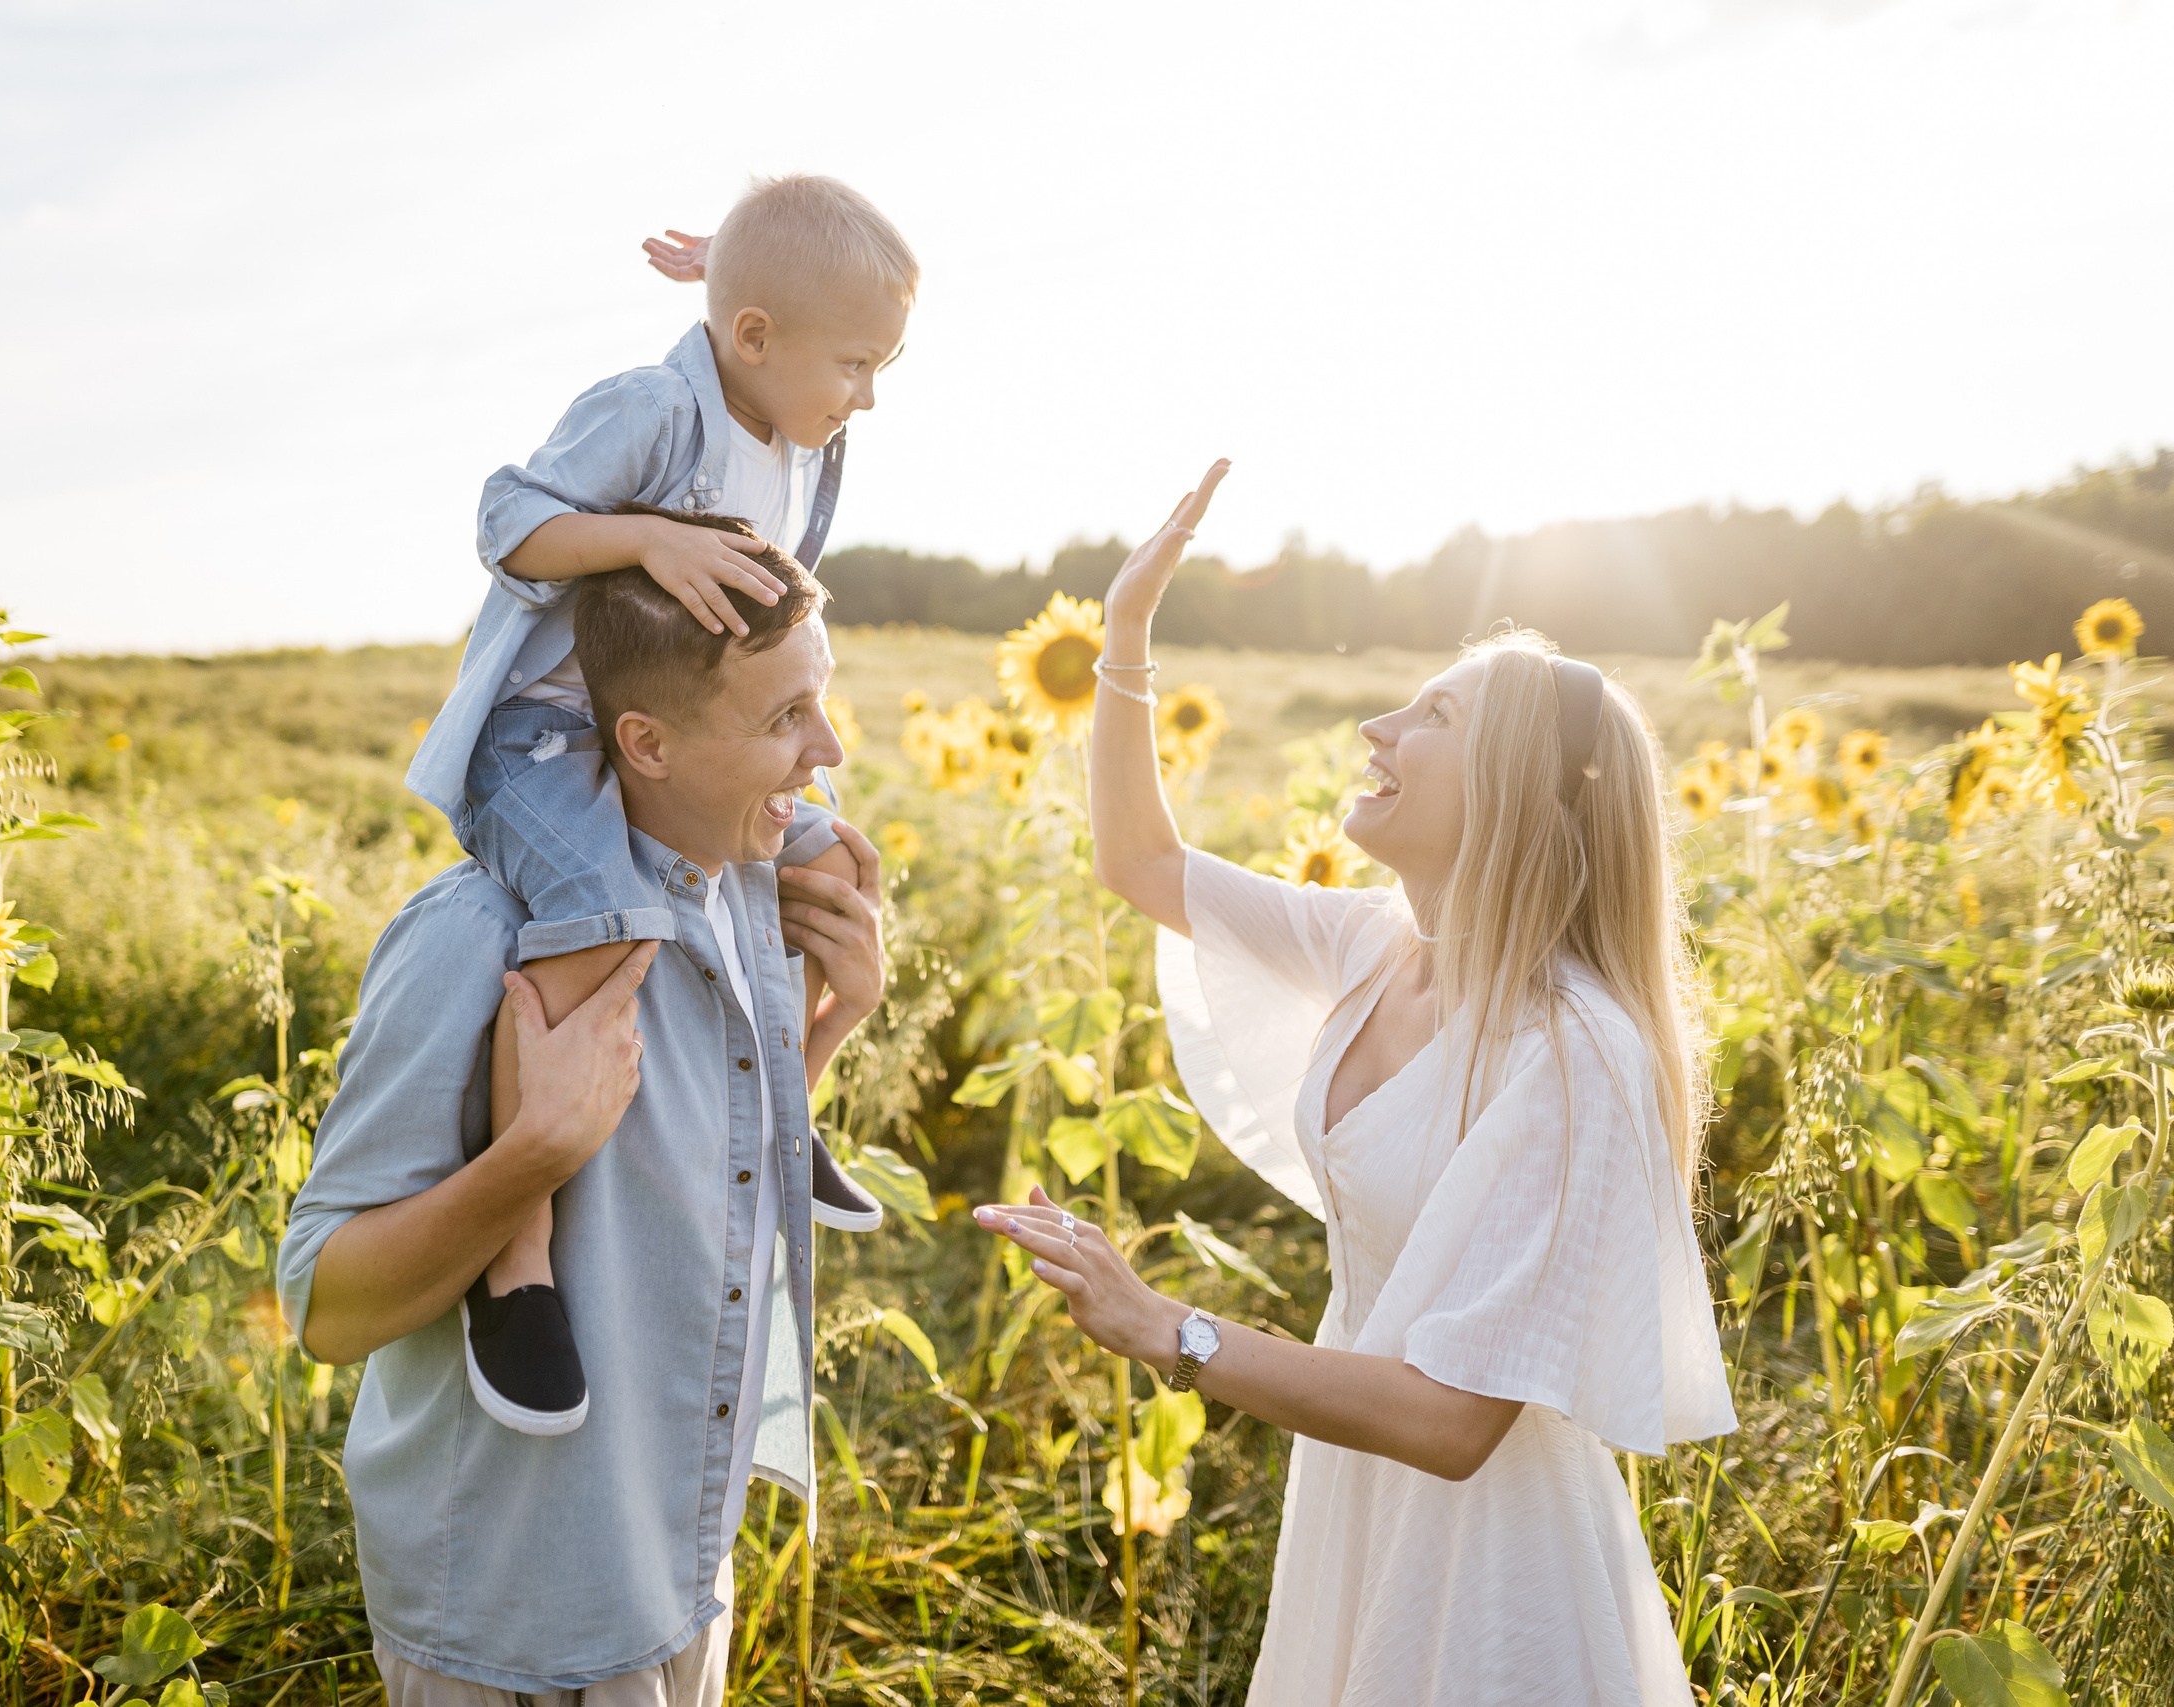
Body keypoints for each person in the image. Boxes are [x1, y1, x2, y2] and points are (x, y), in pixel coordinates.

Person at [978, 463, 1736, 1704]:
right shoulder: (1374, 943)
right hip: (1352, 1491)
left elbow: (1452, 1424)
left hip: (1493, 1552)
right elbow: (1140, 859)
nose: (1377, 732)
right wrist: (1125, 635)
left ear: (1517, 789)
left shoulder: (1574, 1050)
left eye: (1432, 716)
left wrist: (1168, 1327)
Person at [279, 547, 884, 1703]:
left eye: (825, 699)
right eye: (788, 717)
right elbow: (327, 1305)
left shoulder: (739, 910)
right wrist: (532, 1158)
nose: (829, 753)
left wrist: (825, 1027)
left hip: (677, 1569)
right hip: (515, 1618)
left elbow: (692, 1198)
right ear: (646, 743)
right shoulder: (477, 936)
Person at [405, 174, 918, 1434]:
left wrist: (729, 267)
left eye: (879, 363)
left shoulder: (791, 416)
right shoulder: (652, 408)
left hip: (687, 734)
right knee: (598, 910)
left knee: (834, 866)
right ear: (755, 342)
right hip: (549, 734)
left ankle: (781, 1115)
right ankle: (514, 1262)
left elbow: (784, 278)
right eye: (857, 363)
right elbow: (505, 517)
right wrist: (641, 539)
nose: (867, 395)